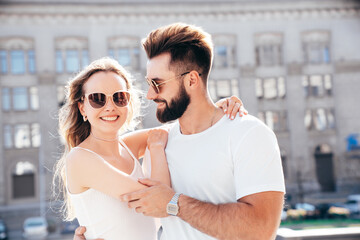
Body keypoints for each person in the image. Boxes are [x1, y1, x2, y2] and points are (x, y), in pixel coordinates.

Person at [74, 23, 285, 240]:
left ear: (192, 80)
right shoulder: (159, 140)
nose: (149, 95)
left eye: (158, 83)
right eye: (149, 83)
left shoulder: (248, 134)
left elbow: (261, 231)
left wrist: (173, 203)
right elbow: (96, 159)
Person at [55, 58, 245, 240]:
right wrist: (155, 148)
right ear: (82, 108)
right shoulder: (79, 159)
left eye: (119, 97)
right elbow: (157, 201)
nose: (110, 107)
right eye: (98, 99)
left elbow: (180, 128)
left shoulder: (127, 146)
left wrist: (215, 110)